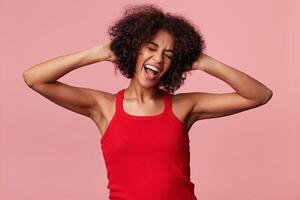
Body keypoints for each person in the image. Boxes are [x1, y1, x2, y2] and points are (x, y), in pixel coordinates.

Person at [23, 4, 273, 200]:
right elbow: (34, 78)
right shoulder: (104, 107)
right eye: (151, 48)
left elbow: (259, 95)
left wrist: (203, 62)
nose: (158, 59)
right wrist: (99, 53)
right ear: (134, 50)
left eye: (169, 54)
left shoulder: (184, 106)